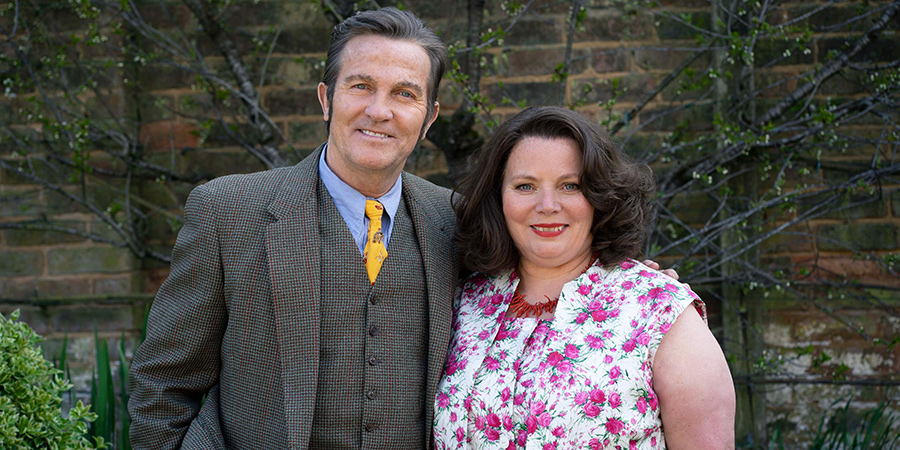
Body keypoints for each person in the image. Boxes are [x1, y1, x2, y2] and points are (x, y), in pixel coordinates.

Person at [128, 8, 457, 449]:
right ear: (326, 98)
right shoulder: (228, 212)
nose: (379, 111)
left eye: (404, 94)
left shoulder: (453, 220)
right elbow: (164, 385)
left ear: (428, 118)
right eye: (361, 86)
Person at [433, 106, 735, 449]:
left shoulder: (660, 311)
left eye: (570, 185)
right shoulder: (460, 301)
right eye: (525, 186)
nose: (547, 205)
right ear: (498, 198)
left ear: (600, 196)